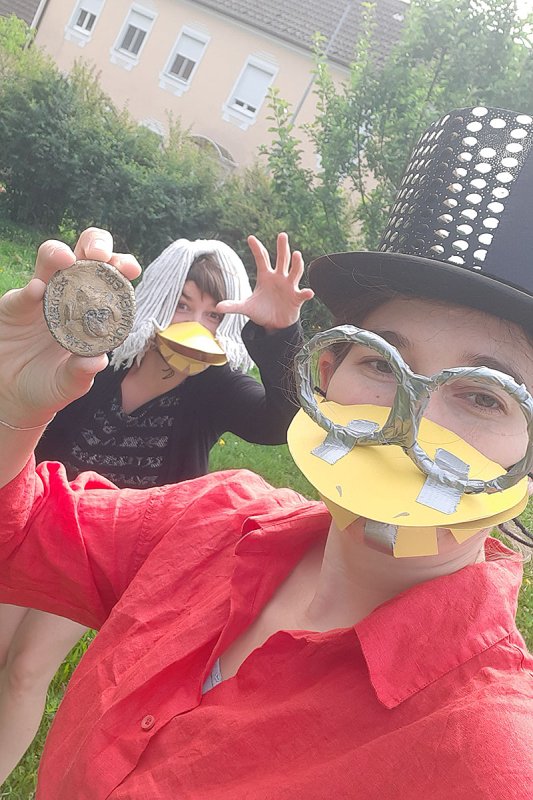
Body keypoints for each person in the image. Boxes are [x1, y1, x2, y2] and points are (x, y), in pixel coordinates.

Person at [0, 106, 532, 799]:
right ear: (330, 377)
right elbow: (19, 531)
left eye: (484, 397)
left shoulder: (487, 760)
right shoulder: (210, 522)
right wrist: (11, 410)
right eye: (380, 362)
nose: (407, 426)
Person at [0, 232, 313, 784]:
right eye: (183, 304)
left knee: (26, 669)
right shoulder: (100, 360)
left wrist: (280, 333)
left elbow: (278, 423)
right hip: (38, 520)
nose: (196, 324)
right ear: (158, 296)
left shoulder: (213, 387)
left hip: (102, 550)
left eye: (214, 315)